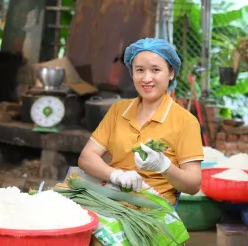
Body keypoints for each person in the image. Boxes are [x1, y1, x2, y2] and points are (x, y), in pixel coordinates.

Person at [78, 38, 204, 205]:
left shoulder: (185, 121)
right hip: (111, 199)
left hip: (151, 211)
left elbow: (193, 185)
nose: (146, 78)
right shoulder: (118, 110)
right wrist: (116, 175)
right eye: (139, 70)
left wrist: (164, 166)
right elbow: (86, 157)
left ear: (171, 72)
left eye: (156, 70)